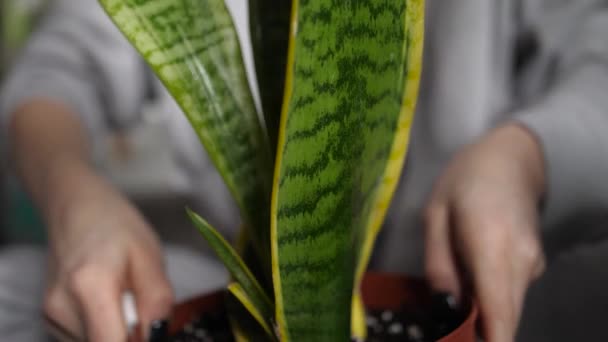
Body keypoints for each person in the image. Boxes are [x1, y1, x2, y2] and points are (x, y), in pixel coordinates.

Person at [1, 0, 608, 341]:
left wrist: (523, 155)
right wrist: (74, 196)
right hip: (243, 299)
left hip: (513, 290)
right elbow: (56, 71)